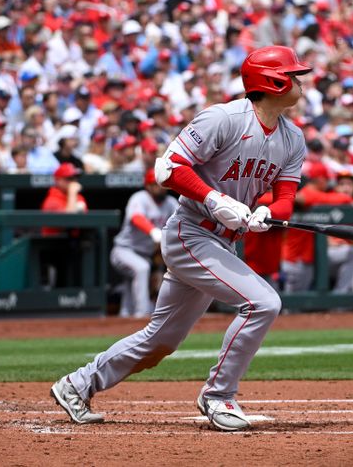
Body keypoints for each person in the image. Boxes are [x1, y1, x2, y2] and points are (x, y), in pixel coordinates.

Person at [50, 45, 311, 431]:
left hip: (224, 241)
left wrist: (268, 213)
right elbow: (168, 167)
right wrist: (214, 198)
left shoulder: (293, 138)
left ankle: (77, 384)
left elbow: (286, 197)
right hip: (191, 232)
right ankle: (218, 396)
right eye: (292, 75)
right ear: (271, 81)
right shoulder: (223, 118)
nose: (298, 82)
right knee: (263, 303)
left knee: (161, 341)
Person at [280, 161, 353, 293]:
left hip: (303, 259)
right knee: (291, 307)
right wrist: (347, 199)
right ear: (320, 180)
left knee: (297, 304)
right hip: (295, 259)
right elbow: (302, 198)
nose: (328, 184)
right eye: (327, 180)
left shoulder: (314, 194)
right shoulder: (309, 193)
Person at [110, 169, 179, 318]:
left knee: (133, 282)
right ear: (147, 186)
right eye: (155, 184)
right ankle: (142, 316)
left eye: (162, 184)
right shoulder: (139, 198)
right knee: (142, 268)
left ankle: (125, 315)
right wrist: (152, 231)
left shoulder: (170, 203)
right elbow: (136, 217)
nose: (160, 187)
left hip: (146, 254)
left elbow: (182, 221)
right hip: (124, 250)